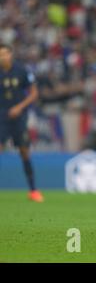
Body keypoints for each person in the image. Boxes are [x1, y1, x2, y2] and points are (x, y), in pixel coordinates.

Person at [0, 44, 43, 202]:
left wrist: (19, 107)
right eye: (0, 54)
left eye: (5, 54)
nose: (2, 57)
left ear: (10, 54)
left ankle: (33, 190)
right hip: (1, 117)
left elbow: (34, 93)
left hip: (19, 117)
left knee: (24, 152)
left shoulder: (22, 70)